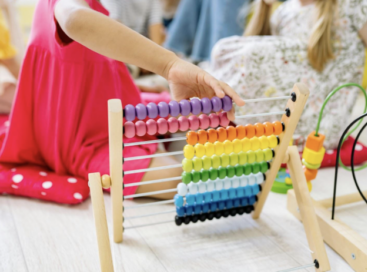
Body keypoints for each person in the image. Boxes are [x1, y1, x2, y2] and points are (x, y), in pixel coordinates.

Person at [0, 0, 244, 200]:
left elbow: (95, 69)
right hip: (80, 141)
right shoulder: (67, 7)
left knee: (193, 116)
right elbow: (75, 20)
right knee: (175, 179)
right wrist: (169, 65)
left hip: (116, 109)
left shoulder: (97, 9)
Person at [211, 0, 367, 149]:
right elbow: (281, 71)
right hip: (288, 110)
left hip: (323, 123)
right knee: (232, 51)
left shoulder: (352, 5)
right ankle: (217, 105)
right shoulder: (283, 12)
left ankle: (217, 105)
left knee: (249, 53)